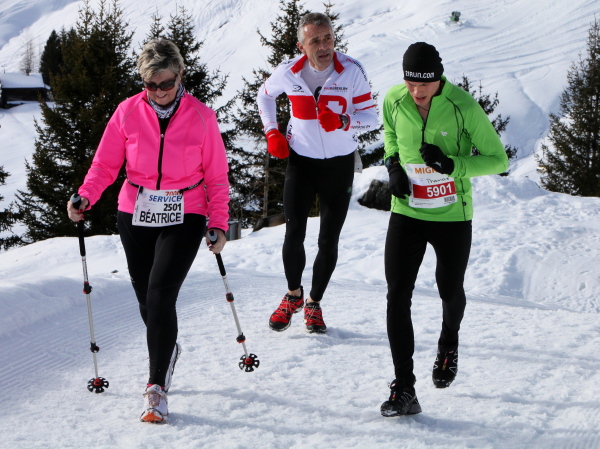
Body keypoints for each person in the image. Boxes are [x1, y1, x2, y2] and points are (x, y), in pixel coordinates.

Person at [66, 39, 230, 423]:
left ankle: (156, 388)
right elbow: (105, 165)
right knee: (146, 299)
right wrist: (86, 195)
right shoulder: (127, 111)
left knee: (159, 295)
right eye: (150, 85)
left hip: (185, 211)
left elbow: (217, 177)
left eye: (166, 83)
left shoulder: (202, 117)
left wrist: (219, 223)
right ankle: (167, 349)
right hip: (135, 212)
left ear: (180, 76)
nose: (158, 92)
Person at [379, 42, 508, 417]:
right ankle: (404, 388)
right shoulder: (394, 99)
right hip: (408, 211)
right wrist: (393, 166)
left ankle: (449, 340)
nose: (416, 91)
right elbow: (390, 134)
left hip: (452, 215)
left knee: (449, 289)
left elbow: (498, 159)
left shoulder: (463, 107)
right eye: (410, 83)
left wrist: (453, 165)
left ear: (439, 78)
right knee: (397, 294)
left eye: (424, 84)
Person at [256, 12, 378, 334]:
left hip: (339, 165)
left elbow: (371, 117)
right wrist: (272, 131)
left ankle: (313, 303)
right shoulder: (288, 72)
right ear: (301, 45)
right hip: (302, 162)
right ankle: (293, 295)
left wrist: (344, 122)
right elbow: (264, 96)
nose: (324, 47)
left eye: (328, 39)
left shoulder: (351, 71)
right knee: (293, 231)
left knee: (328, 239)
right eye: (315, 41)